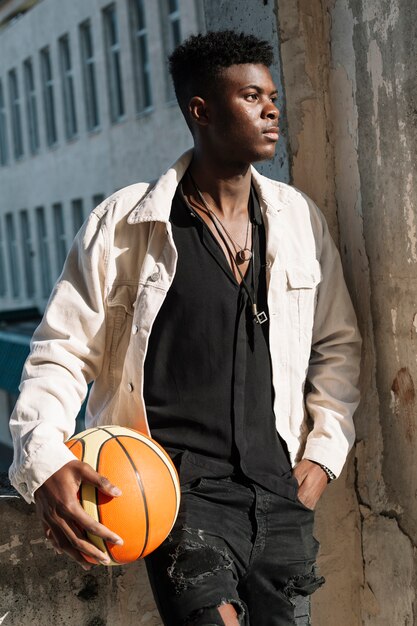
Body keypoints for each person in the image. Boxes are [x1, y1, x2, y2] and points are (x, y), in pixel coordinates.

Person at [9, 30, 361, 626]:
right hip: (179, 496)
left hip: (281, 494)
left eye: (272, 95)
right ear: (201, 110)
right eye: (251, 96)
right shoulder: (125, 225)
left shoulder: (299, 220)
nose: (271, 108)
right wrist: (42, 459)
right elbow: (62, 354)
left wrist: (323, 455)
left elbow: (338, 346)